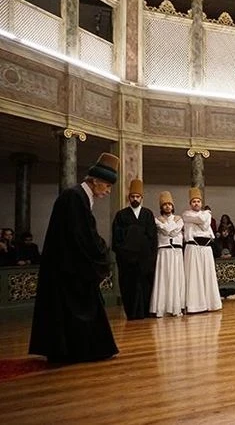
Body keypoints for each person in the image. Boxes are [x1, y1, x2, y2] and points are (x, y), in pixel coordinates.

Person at [29, 152, 120, 363]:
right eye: (107, 186)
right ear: (95, 181)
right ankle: (77, 352)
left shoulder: (79, 196)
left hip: (70, 266)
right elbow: (82, 235)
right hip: (68, 269)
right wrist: (102, 251)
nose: (108, 191)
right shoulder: (74, 197)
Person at [112, 179, 157, 320]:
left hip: (144, 259)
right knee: (129, 286)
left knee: (145, 286)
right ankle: (131, 313)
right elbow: (117, 237)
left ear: (141, 198)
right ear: (129, 198)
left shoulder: (148, 214)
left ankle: (145, 312)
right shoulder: (121, 215)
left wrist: (150, 256)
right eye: (133, 197)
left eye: (137, 196)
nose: (135, 199)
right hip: (127, 260)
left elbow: (152, 237)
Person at [182, 188, 222, 313]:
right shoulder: (186, 214)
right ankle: (195, 305)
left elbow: (204, 225)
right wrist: (206, 214)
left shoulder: (206, 215)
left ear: (201, 203)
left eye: (198, 201)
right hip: (193, 247)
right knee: (194, 276)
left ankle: (211, 304)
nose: (196, 203)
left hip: (206, 248)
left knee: (208, 275)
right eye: (194, 201)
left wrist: (205, 215)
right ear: (190, 203)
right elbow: (202, 220)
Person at [150, 191, 185, 318]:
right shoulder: (157, 219)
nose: (167, 207)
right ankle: (162, 308)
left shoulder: (179, 218)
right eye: (165, 205)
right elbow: (168, 231)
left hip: (176, 252)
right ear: (161, 207)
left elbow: (173, 231)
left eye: (169, 204)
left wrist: (168, 227)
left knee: (176, 278)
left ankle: (176, 306)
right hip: (164, 251)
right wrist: (169, 227)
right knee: (164, 278)